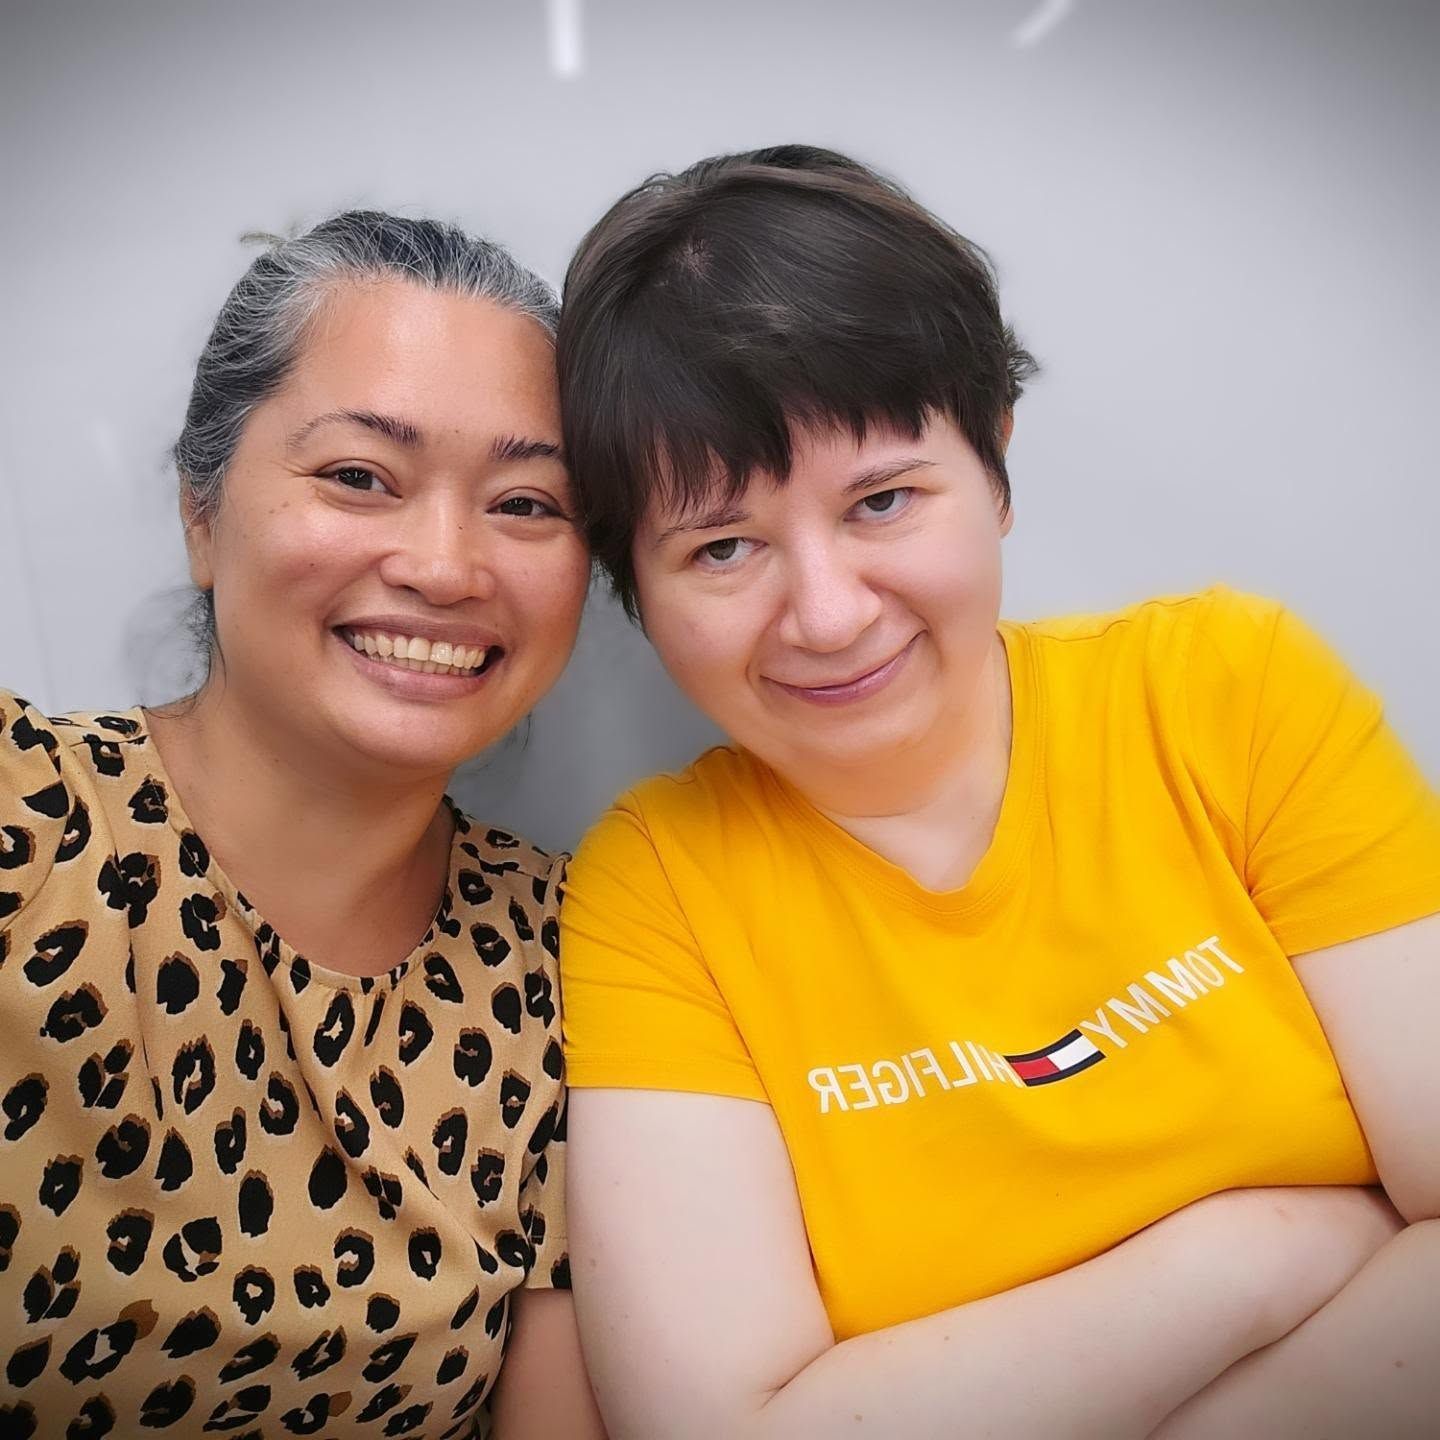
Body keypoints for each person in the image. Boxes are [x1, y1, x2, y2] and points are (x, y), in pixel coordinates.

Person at [555, 146, 1440, 1437]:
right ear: (638, 587)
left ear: (997, 466)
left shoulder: (1225, 692)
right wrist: (1255, 1257)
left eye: (884, 500)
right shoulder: (659, 885)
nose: (827, 612)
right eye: (723, 545)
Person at [0, 214, 604, 1439]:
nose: (445, 566)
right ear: (202, 512)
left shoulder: (582, 950)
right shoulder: (25, 817)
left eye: (529, 502)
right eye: (358, 478)